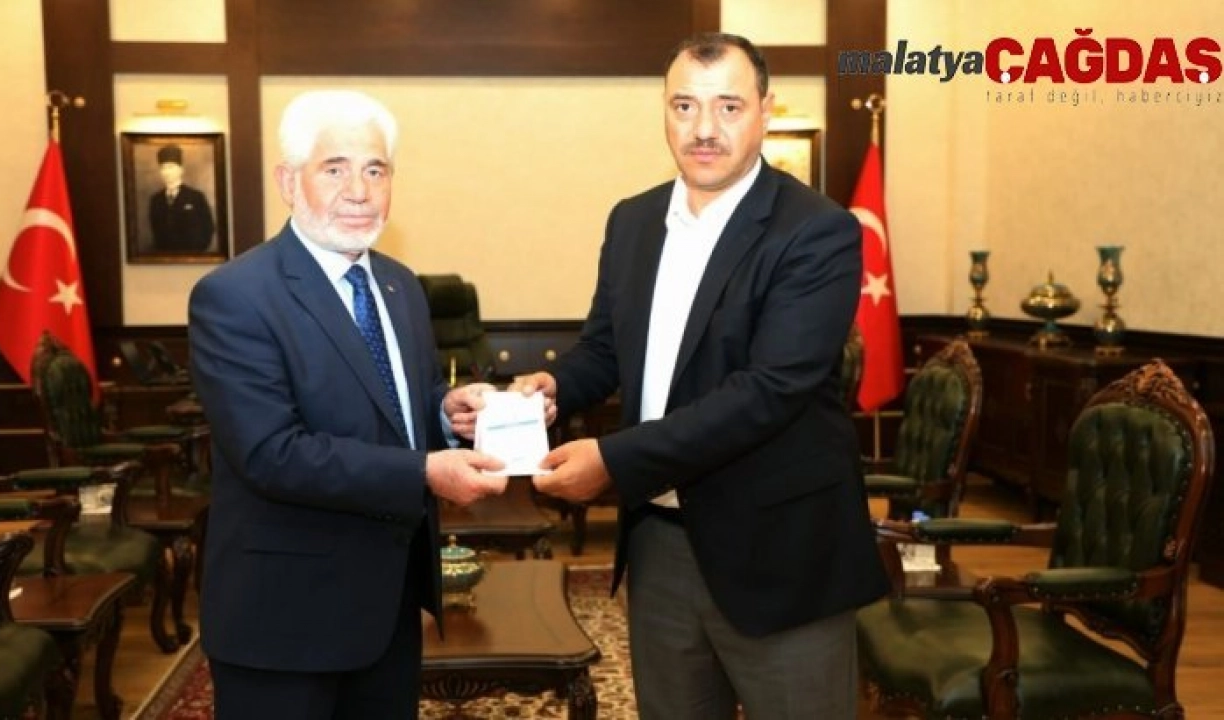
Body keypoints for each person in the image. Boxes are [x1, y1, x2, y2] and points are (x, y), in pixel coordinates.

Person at [513, 33, 889, 719]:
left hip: (779, 551)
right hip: (660, 544)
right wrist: (555, 388)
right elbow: (604, 349)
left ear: (765, 111)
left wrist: (613, 461)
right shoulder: (633, 221)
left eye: (728, 107)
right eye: (684, 106)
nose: (704, 129)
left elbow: (767, 393)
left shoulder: (817, 230)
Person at [188, 89, 506, 720]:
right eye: (334, 169)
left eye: (376, 170)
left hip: (388, 610)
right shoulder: (234, 296)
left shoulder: (399, 284)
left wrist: (447, 414)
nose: (359, 191)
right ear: (288, 182)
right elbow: (272, 454)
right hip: (283, 623)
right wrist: (424, 471)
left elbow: (397, 403)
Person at [148, 143, 215, 252]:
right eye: (163, 168)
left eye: (171, 167)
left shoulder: (196, 197)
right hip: (163, 257)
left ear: (181, 169)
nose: (167, 172)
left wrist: (196, 253)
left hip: (192, 255)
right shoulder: (156, 200)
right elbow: (156, 232)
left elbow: (208, 228)